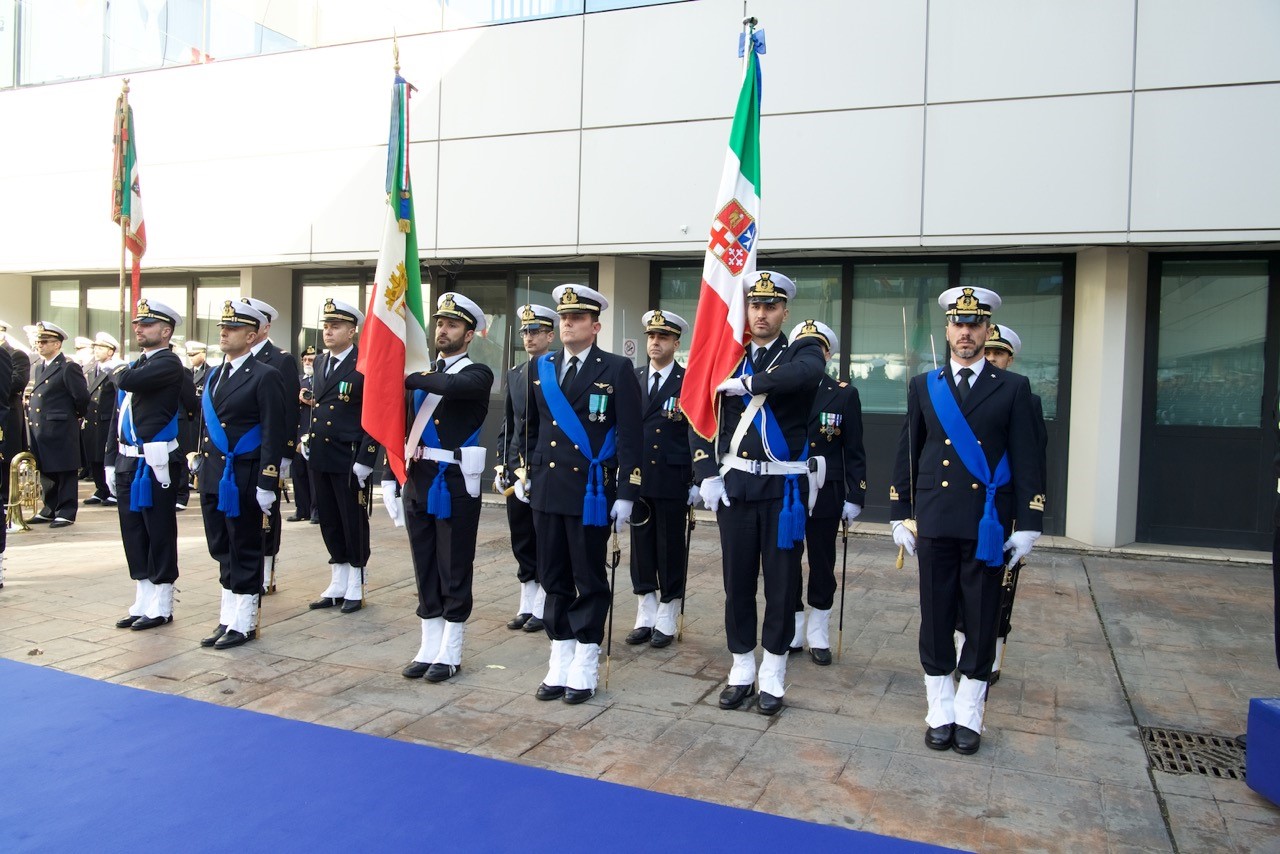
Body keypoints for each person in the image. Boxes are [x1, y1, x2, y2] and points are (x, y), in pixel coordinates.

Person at [890, 286, 1045, 756]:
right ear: (948, 329)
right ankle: (939, 708)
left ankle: (971, 711)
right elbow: (908, 453)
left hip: (987, 524)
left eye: (974, 325)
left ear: (986, 331)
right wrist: (900, 513)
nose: (966, 332)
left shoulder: (1013, 388)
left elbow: (1028, 458)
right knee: (935, 617)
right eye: (958, 324)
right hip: (935, 520)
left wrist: (1029, 522)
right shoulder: (924, 385)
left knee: (981, 620)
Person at [692, 271, 825, 717]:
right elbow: (699, 412)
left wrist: (750, 384)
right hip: (737, 487)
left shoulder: (801, 349)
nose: (762, 314)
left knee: (783, 587)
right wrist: (707, 473)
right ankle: (742, 669)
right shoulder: (728, 353)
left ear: (785, 311)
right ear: (744, 310)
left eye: (771, 306)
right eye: (754, 305)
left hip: (782, 491)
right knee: (738, 585)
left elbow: (805, 375)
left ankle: (773, 674)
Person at [521, 283, 642, 704]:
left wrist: (626, 491)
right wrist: (526, 470)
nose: (567, 322)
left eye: (576, 317)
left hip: (591, 489)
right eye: (563, 316)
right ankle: (559, 657)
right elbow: (533, 427)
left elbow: (630, 435)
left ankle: (586, 660)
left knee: (587, 575)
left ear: (596, 325)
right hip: (548, 488)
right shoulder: (544, 366)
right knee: (552, 575)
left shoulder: (616, 369)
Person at [393, 292, 493, 683]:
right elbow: (400, 427)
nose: (442, 330)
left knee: (453, 565)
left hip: (453, 481)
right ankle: (428, 643)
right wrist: (392, 476)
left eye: (452, 325)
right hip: (419, 478)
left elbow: (450, 386)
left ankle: (451, 649)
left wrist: (406, 374)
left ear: (469, 335)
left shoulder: (477, 373)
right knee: (425, 563)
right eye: (439, 323)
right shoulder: (421, 374)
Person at [197, 301, 286, 650]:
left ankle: (245, 621)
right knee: (220, 546)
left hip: (246, 475)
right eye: (222, 327)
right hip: (215, 474)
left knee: (244, 546)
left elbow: (272, 431)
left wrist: (267, 480)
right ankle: (227, 616)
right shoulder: (214, 373)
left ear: (251, 336)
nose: (223, 332)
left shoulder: (266, 375)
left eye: (232, 329)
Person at [106, 299, 187, 631]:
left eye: (148, 325)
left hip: (156, 462)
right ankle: (143, 596)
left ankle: (163, 602)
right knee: (133, 531)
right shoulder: (140, 363)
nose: (139, 328)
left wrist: (121, 370)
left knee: (159, 530)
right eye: (138, 324)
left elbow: (124, 380)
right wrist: (111, 460)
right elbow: (119, 416)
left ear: (166, 331)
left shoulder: (168, 363)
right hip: (129, 458)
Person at [789, 320, 866, 665]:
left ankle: (818, 632)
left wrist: (856, 494)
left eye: (816, 349)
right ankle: (791, 627)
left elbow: (855, 449)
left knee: (822, 560)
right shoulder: (782, 390)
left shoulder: (844, 392)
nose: (811, 355)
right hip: (788, 489)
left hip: (828, 489)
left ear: (828, 354)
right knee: (786, 559)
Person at [627, 308, 697, 649]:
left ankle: (668, 612)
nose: (655, 342)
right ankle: (645, 611)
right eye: (652, 336)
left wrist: (697, 478)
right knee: (640, 547)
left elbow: (699, 433)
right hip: (638, 477)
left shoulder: (688, 381)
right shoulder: (633, 377)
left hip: (671, 475)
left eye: (663, 337)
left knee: (669, 546)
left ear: (676, 342)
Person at [306, 302, 378, 614]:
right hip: (322, 452)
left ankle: (356, 582)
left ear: (352, 331)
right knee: (329, 519)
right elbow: (318, 405)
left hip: (349, 455)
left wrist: (367, 457)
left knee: (352, 520)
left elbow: (376, 413)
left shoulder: (364, 362)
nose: (328, 330)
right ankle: (338, 579)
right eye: (326, 325)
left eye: (336, 326)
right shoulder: (321, 362)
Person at [496, 303, 557, 633]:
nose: (529, 337)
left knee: (544, 536)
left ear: (550, 335)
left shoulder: (557, 370)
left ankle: (543, 601)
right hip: (518, 467)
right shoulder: (515, 373)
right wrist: (503, 461)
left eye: (536, 332)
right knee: (521, 535)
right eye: (525, 332)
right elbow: (509, 422)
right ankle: (526, 599)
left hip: (545, 467)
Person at [240, 298, 301, 595]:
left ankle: (266, 569)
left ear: (264, 327)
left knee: (266, 510)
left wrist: (286, 451)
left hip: (268, 450)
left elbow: (289, 409)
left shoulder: (280, 359)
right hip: (238, 454)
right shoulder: (233, 360)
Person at [27, 321, 89, 528]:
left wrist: (72, 417)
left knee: (64, 470)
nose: (40, 345)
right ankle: (49, 508)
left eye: (45, 341)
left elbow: (81, 397)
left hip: (60, 427)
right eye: (38, 342)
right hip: (42, 428)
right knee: (46, 470)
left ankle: (66, 510)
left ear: (57, 344)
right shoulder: (39, 367)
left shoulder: (68, 367)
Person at [83, 332, 122, 506]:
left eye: (101, 348)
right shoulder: (93, 369)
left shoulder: (116, 369)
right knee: (95, 454)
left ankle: (113, 490)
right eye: (95, 347)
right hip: (93, 418)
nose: (97, 351)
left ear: (111, 351)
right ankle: (101, 488)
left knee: (109, 453)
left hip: (108, 418)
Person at [289, 345, 317, 523]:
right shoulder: (298, 380)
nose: (307, 362)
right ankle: (302, 508)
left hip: (312, 433)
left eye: (311, 360)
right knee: (298, 474)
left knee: (313, 476)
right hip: (298, 432)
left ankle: (316, 510)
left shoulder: (320, 380)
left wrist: (310, 401)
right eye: (305, 359)